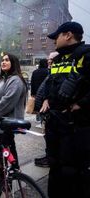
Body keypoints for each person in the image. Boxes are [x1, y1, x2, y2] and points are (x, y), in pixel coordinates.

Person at [40, 21, 90, 198]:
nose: (55, 41)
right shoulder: (59, 58)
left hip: (75, 127)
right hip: (56, 125)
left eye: (57, 37)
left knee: (73, 173)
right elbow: (50, 83)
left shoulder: (86, 55)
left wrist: (81, 104)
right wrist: (46, 98)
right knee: (55, 168)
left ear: (68, 35)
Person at [0, 53, 27, 184]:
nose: (3, 62)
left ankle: (2, 178)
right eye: (2, 60)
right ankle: (10, 173)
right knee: (7, 148)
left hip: (6, 123)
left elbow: (7, 102)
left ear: (13, 63)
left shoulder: (15, 80)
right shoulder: (1, 78)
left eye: (7, 60)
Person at [30, 59, 49, 123]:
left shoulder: (35, 72)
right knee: (44, 105)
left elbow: (32, 83)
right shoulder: (47, 71)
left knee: (37, 105)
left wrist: (32, 93)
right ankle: (43, 119)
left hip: (36, 92)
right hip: (44, 92)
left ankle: (38, 119)